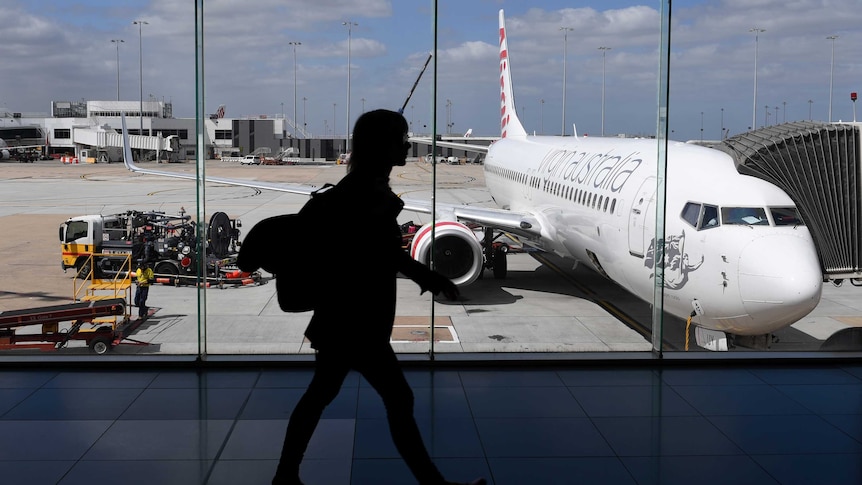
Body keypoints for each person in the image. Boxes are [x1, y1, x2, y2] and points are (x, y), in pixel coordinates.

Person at [272, 109, 485, 485]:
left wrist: (424, 273)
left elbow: (379, 252)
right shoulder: (364, 194)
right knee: (396, 399)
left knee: (322, 396)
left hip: (345, 320)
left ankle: (285, 475)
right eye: (401, 137)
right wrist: (428, 276)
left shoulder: (363, 189)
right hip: (354, 322)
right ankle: (434, 484)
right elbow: (379, 253)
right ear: (381, 145)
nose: (406, 143)